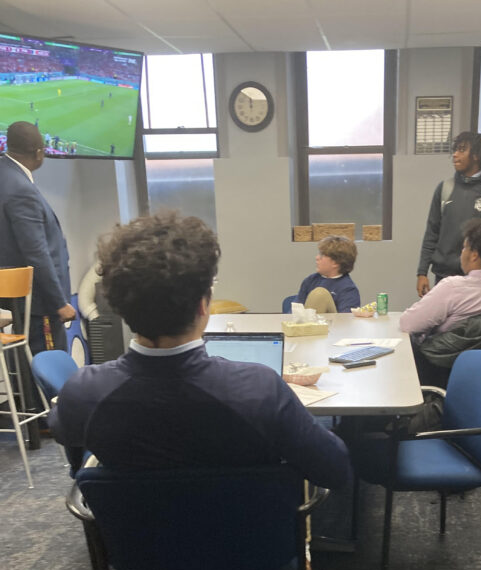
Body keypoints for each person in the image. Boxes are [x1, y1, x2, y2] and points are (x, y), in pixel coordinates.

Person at [48, 211, 352, 497]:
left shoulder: (83, 391)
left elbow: (67, 436)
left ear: (118, 305)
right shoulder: (261, 389)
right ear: (203, 305)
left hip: (138, 548)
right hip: (250, 545)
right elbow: (336, 471)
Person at [401, 218, 481, 385]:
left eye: (464, 247)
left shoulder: (452, 288)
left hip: (440, 371)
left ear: (474, 255)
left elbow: (408, 324)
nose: (462, 253)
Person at [0, 121, 75, 354]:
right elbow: (36, 252)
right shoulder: (20, 188)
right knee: (47, 372)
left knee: (28, 366)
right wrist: (59, 303)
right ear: (39, 152)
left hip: (21, 302)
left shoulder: (6, 174)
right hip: (40, 304)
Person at [416, 131, 481, 298]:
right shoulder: (445, 189)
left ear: (476, 156)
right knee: (446, 323)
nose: (455, 155)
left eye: (462, 150)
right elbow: (431, 233)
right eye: (455, 150)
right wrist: (422, 272)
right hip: (443, 277)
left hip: (480, 282)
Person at [296, 235, 359, 314]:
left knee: (319, 294)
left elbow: (346, 320)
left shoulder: (348, 289)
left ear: (335, 262)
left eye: (322, 255)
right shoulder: (310, 280)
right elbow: (296, 310)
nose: (317, 257)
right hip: (304, 324)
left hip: (334, 325)